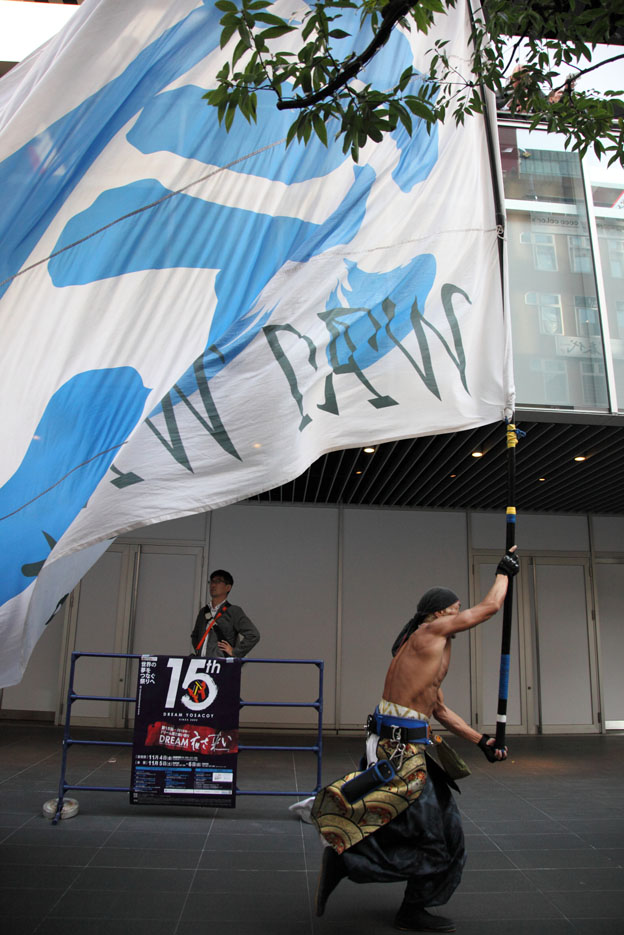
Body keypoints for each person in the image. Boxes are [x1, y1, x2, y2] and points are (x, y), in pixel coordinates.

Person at [311, 548, 520, 933]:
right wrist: (504, 574)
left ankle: (412, 907)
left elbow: (438, 708)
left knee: (448, 832)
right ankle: (348, 861)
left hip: (410, 746)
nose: (459, 614)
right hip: (398, 749)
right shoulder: (429, 632)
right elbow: (490, 608)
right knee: (429, 838)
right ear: (439, 613)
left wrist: (481, 741)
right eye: (455, 609)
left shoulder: (434, 647)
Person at [191, 569, 260, 658]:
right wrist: (200, 650)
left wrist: (235, 652)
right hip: (201, 663)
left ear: (228, 587)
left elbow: (253, 635)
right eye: (211, 581)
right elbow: (195, 635)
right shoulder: (203, 611)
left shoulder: (233, 611)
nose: (213, 585)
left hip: (222, 664)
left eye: (218, 581)